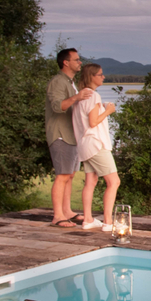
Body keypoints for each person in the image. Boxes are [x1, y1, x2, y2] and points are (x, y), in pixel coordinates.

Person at [70, 63, 121, 230]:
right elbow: (93, 122)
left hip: (84, 145)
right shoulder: (93, 96)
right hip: (95, 144)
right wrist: (108, 111)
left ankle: (88, 220)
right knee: (114, 182)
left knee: (90, 181)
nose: (103, 77)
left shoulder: (80, 97)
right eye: (100, 74)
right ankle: (108, 222)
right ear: (92, 76)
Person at [46, 48, 88, 226]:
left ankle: (67, 211)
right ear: (66, 62)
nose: (80, 62)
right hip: (61, 135)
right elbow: (57, 106)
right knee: (62, 175)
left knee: (70, 175)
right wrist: (77, 97)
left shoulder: (70, 82)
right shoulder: (58, 82)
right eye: (77, 60)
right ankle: (57, 216)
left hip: (71, 135)